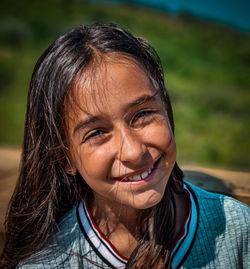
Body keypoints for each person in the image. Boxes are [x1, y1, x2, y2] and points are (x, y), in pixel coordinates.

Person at [0, 23, 249, 269]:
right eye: (97, 132)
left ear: (166, 107)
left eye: (142, 115)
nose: (132, 151)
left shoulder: (239, 230)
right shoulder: (49, 263)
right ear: (65, 158)